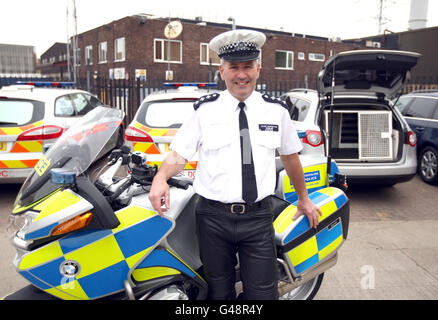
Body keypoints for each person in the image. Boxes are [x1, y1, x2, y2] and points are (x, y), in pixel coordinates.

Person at [149, 29, 322, 300]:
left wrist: (304, 198)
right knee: (219, 293)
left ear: (258, 68)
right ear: (222, 71)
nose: (241, 75)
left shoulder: (276, 111)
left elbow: (290, 157)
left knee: (263, 294)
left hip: (258, 218)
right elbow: (179, 153)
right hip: (212, 218)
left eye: (247, 67)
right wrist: (160, 180)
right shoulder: (204, 110)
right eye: (233, 67)